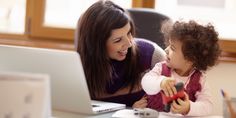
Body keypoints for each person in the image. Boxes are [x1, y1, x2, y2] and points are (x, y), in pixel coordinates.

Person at [75, 0, 166, 108]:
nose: (129, 43)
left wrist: (137, 111)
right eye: (118, 40)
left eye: (129, 33)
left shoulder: (152, 55)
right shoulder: (78, 66)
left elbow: (178, 97)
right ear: (96, 45)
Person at [141, 20, 221, 116]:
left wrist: (189, 107)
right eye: (169, 45)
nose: (166, 50)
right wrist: (160, 82)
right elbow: (145, 82)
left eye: (172, 48)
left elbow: (207, 106)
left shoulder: (199, 79)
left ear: (190, 58)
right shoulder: (161, 68)